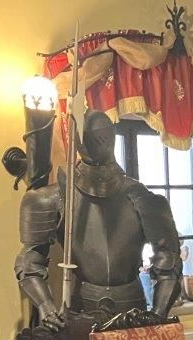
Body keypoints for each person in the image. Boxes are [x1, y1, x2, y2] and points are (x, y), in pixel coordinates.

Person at [15, 112, 182, 326]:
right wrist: (46, 307)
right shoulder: (50, 198)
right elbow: (30, 262)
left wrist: (158, 314)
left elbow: (169, 260)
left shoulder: (142, 197)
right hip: (79, 307)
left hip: (133, 308)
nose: (98, 143)